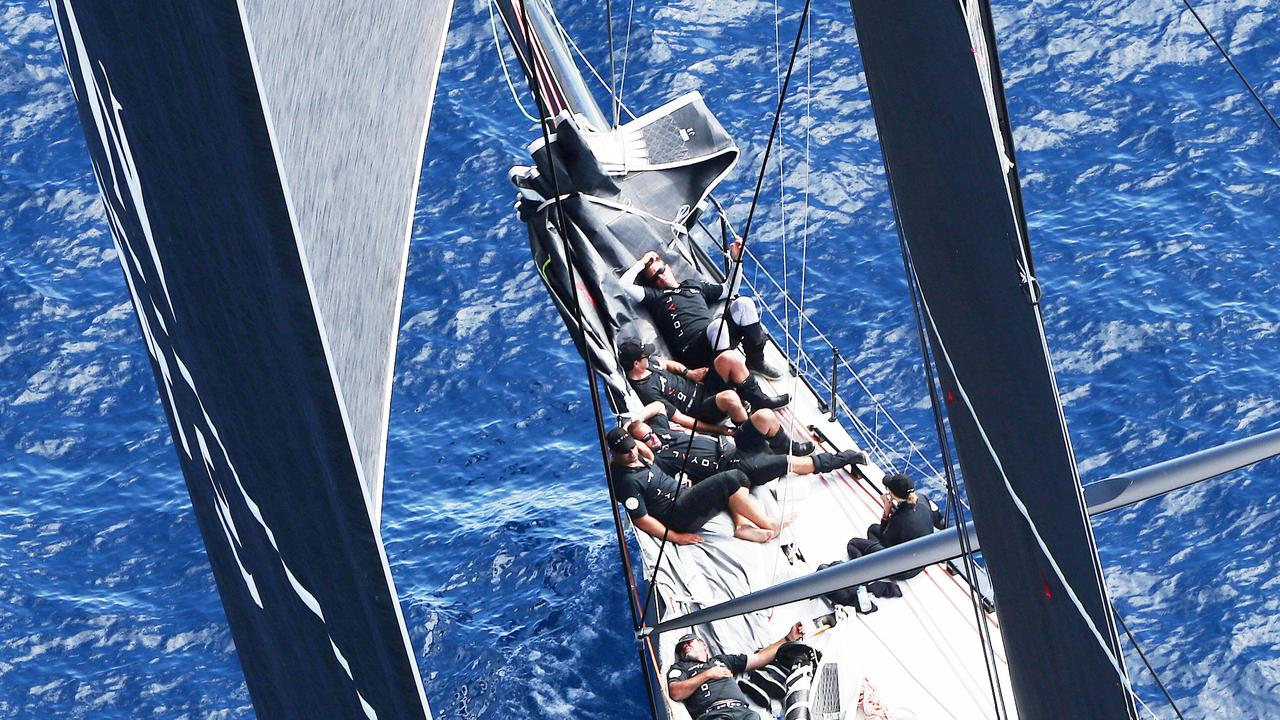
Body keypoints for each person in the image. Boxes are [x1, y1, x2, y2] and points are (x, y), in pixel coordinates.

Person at [618, 247, 789, 410]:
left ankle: (755, 360)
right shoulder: (655, 297)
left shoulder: (693, 285)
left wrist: (737, 261)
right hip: (693, 350)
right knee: (717, 326)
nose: (660, 278)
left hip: (716, 338)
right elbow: (623, 285)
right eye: (655, 279)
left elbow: (729, 289)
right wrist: (642, 262)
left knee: (744, 303)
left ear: (668, 267)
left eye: (661, 271)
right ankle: (746, 393)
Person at [607, 426, 781, 544]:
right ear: (614, 453)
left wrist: (630, 439)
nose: (632, 453)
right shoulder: (626, 482)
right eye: (625, 451)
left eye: (632, 447)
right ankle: (768, 524)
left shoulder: (639, 455)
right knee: (731, 478)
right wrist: (677, 537)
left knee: (739, 476)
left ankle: (742, 525)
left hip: (684, 494)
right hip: (676, 514)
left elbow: (641, 451)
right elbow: (641, 520)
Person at [628, 405, 865, 488]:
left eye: (650, 433)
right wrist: (640, 446)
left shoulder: (660, 432)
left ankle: (785, 445)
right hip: (736, 466)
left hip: (732, 446)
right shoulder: (658, 462)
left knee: (763, 416)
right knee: (792, 464)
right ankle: (846, 458)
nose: (653, 438)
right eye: (647, 438)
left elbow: (658, 407)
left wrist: (634, 421)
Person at [619, 339, 777, 434]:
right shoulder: (646, 391)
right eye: (645, 356)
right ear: (636, 363)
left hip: (702, 387)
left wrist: (688, 373)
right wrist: (717, 430)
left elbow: (668, 364)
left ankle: (759, 400)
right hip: (700, 408)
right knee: (730, 398)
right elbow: (680, 418)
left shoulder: (649, 364)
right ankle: (752, 433)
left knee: (728, 357)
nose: (649, 357)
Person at [668, 623, 806, 720]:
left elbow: (759, 657)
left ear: (703, 644)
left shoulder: (722, 660)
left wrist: (788, 638)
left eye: (689, 643)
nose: (685, 647)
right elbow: (675, 692)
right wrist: (708, 674)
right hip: (713, 715)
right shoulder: (681, 667)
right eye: (681, 648)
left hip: (744, 713)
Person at [846, 473, 946, 580]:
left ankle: (862, 575)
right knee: (873, 529)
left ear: (893, 495)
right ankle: (872, 557)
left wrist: (886, 512)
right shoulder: (923, 499)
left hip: (903, 570)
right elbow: (940, 522)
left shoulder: (898, 519)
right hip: (922, 561)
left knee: (853, 543)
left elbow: (887, 544)